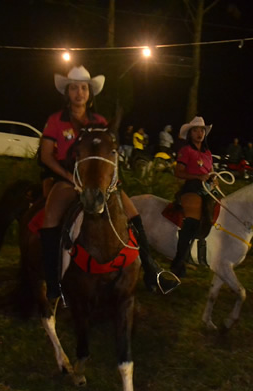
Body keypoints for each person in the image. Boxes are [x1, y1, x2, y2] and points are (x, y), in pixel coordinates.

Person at [38, 66, 178, 306]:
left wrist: (108, 180)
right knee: (50, 219)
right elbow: (46, 156)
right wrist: (70, 177)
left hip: (98, 181)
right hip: (67, 179)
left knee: (134, 216)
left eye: (84, 88)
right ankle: (53, 283)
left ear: (90, 93)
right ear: (67, 92)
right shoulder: (56, 120)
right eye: (74, 88)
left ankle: (152, 270)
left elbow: (108, 156)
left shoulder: (100, 121)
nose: (79, 92)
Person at [170, 116, 215, 278]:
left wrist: (213, 179)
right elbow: (178, 172)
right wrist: (197, 177)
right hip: (191, 188)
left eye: (202, 130)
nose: (199, 133)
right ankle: (178, 262)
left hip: (207, 189)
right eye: (195, 130)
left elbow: (210, 172)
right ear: (190, 134)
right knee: (192, 223)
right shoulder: (186, 150)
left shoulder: (208, 153)